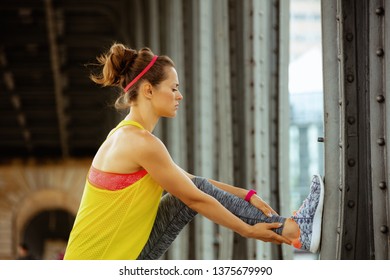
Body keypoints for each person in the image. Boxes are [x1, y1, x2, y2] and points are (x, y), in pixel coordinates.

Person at [64, 43, 324, 260]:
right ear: (148, 90)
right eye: (174, 88)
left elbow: (190, 182)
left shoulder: (125, 136)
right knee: (193, 195)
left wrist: (247, 195)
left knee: (193, 190)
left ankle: (295, 229)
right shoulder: (140, 143)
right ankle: (295, 230)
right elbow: (195, 199)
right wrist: (248, 230)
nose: (180, 96)